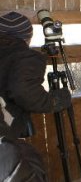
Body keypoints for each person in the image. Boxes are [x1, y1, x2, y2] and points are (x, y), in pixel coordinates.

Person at [0, 11, 72, 181]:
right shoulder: (26, 57)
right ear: (27, 37)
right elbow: (23, 90)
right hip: (6, 135)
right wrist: (55, 100)